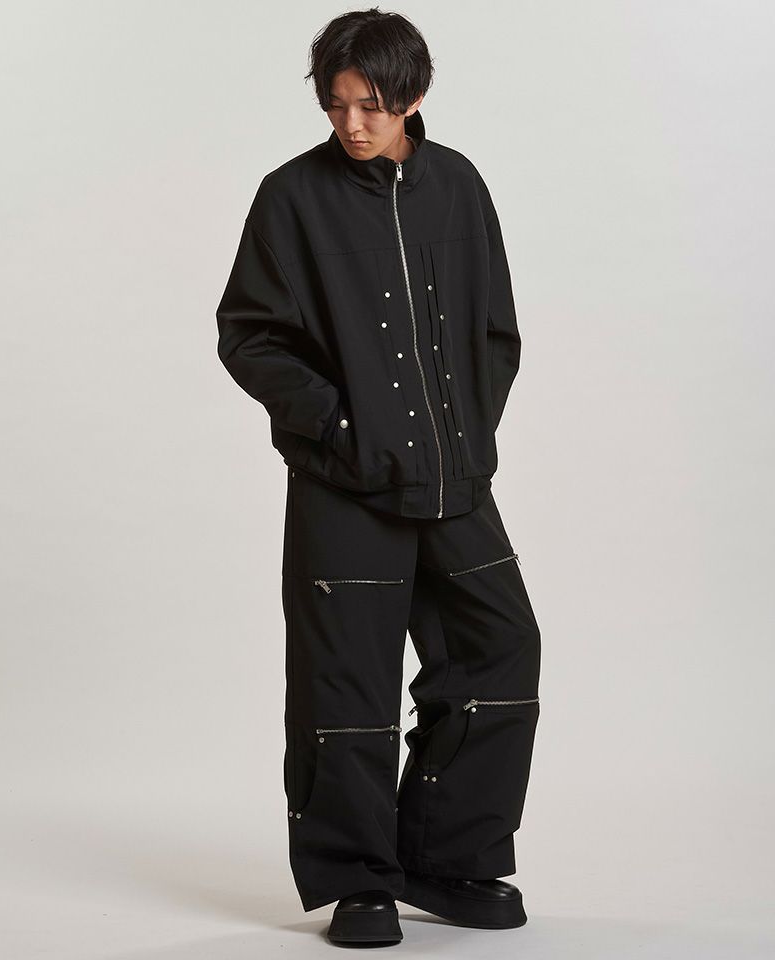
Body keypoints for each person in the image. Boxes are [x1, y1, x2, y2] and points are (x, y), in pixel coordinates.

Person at [216, 7, 542, 947]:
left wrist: (465, 435)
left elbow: (497, 330)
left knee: (500, 652)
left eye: (372, 105)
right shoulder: (291, 197)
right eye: (337, 104)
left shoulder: (458, 185)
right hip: (345, 484)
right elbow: (250, 336)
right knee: (345, 687)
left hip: (454, 482)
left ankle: (445, 857)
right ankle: (358, 879)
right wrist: (342, 429)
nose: (353, 124)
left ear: (414, 95)